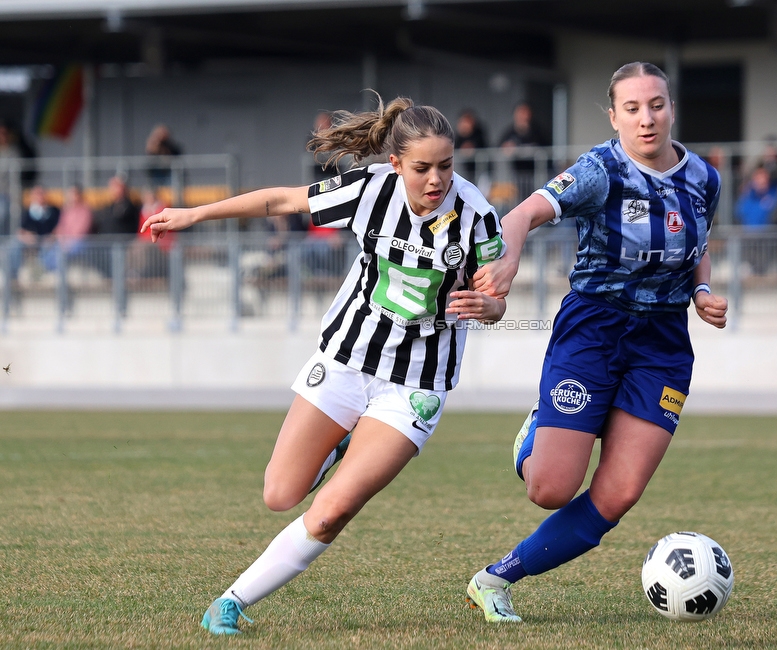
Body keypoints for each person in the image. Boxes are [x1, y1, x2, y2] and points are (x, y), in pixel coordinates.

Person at [142, 95, 507, 636]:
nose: (437, 180)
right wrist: (196, 214)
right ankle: (341, 439)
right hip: (345, 358)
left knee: (333, 510)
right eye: (423, 168)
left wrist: (490, 307)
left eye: (446, 166)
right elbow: (278, 203)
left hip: (415, 386)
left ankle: (231, 602)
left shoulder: (477, 216)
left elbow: (497, 301)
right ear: (395, 164)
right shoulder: (369, 191)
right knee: (279, 494)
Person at [465, 62, 727, 623]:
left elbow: (699, 238)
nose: (646, 118)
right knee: (550, 489)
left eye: (656, 104)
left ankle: (495, 579)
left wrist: (702, 289)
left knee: (618, 495)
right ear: (614, 116)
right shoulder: (600, 170)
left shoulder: (705, 177)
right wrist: (508, 259)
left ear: (671, 108)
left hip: (663, 342)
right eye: (631, 108)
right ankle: (538, 429)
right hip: (595, 327)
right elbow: (524, 212)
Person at [10, 185, 60, 279]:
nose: (40, 196)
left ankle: (46, 273)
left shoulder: (54, 211)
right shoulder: (27, 212)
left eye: (42, 194)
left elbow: (60, 227)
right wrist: (28, 236)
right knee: (15, 245)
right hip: (32, 242)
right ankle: (13, 274)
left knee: (54, 247)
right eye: (37, 194)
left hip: (48, 241)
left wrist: (52, 236)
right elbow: (21, 231)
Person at [42, 183, 92, 271]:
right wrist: (57, 238)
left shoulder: (85, 211)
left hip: (78, 242)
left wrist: (68, 242)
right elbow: (61, 227)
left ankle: (61, 278)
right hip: (64, 242)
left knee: (62, 254)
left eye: (74, 194)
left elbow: (81, 230)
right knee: (47, 250)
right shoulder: (66, 210)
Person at [734, 163, 777, 229]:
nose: (761, 184)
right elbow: (738, 215)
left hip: (768, 236)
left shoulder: (774, 197)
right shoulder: (745, 198)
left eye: (764, 181)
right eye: (758, 180)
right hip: (747, 235)